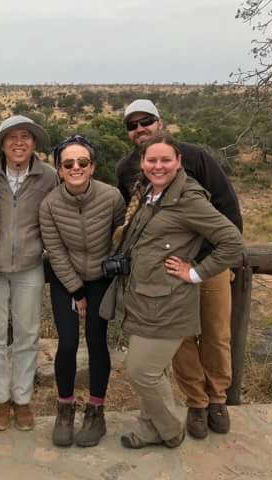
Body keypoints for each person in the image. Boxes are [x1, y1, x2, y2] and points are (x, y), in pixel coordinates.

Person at [100, 132, 243, 449]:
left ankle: (169, 429)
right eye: (152, 160)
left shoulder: (188, 199)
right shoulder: (149, 193)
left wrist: (195, 272)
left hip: (168, 303)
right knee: (156, 370)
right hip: (145, 298)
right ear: (142, 162)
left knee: (141, 371)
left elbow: (232, 241)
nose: (158, 165)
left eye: (166, 159)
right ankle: (148, 428)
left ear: (179, 162)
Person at [39, 135, 125, 448]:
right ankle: (64, 410)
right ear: (59, 170)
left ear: (92, 167)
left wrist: (107, 272)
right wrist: (76, 291)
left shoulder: (112, 197)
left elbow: (120, 237)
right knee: (67, 342)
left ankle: (96, 411)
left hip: (101, 278)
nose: (76, 167)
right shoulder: (49, 204)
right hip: (67, 280)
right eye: (68, 163)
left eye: (82, 162)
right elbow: (55, 250)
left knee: (97, 341)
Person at [0, 115, 59, 432]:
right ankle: (0, 400)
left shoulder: (48, 177)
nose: (18, 142)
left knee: (27, 334)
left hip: (30, 266)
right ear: (2, 144)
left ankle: (22, 401)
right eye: (11, 137)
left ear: (34, 143)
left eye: (25, 136)